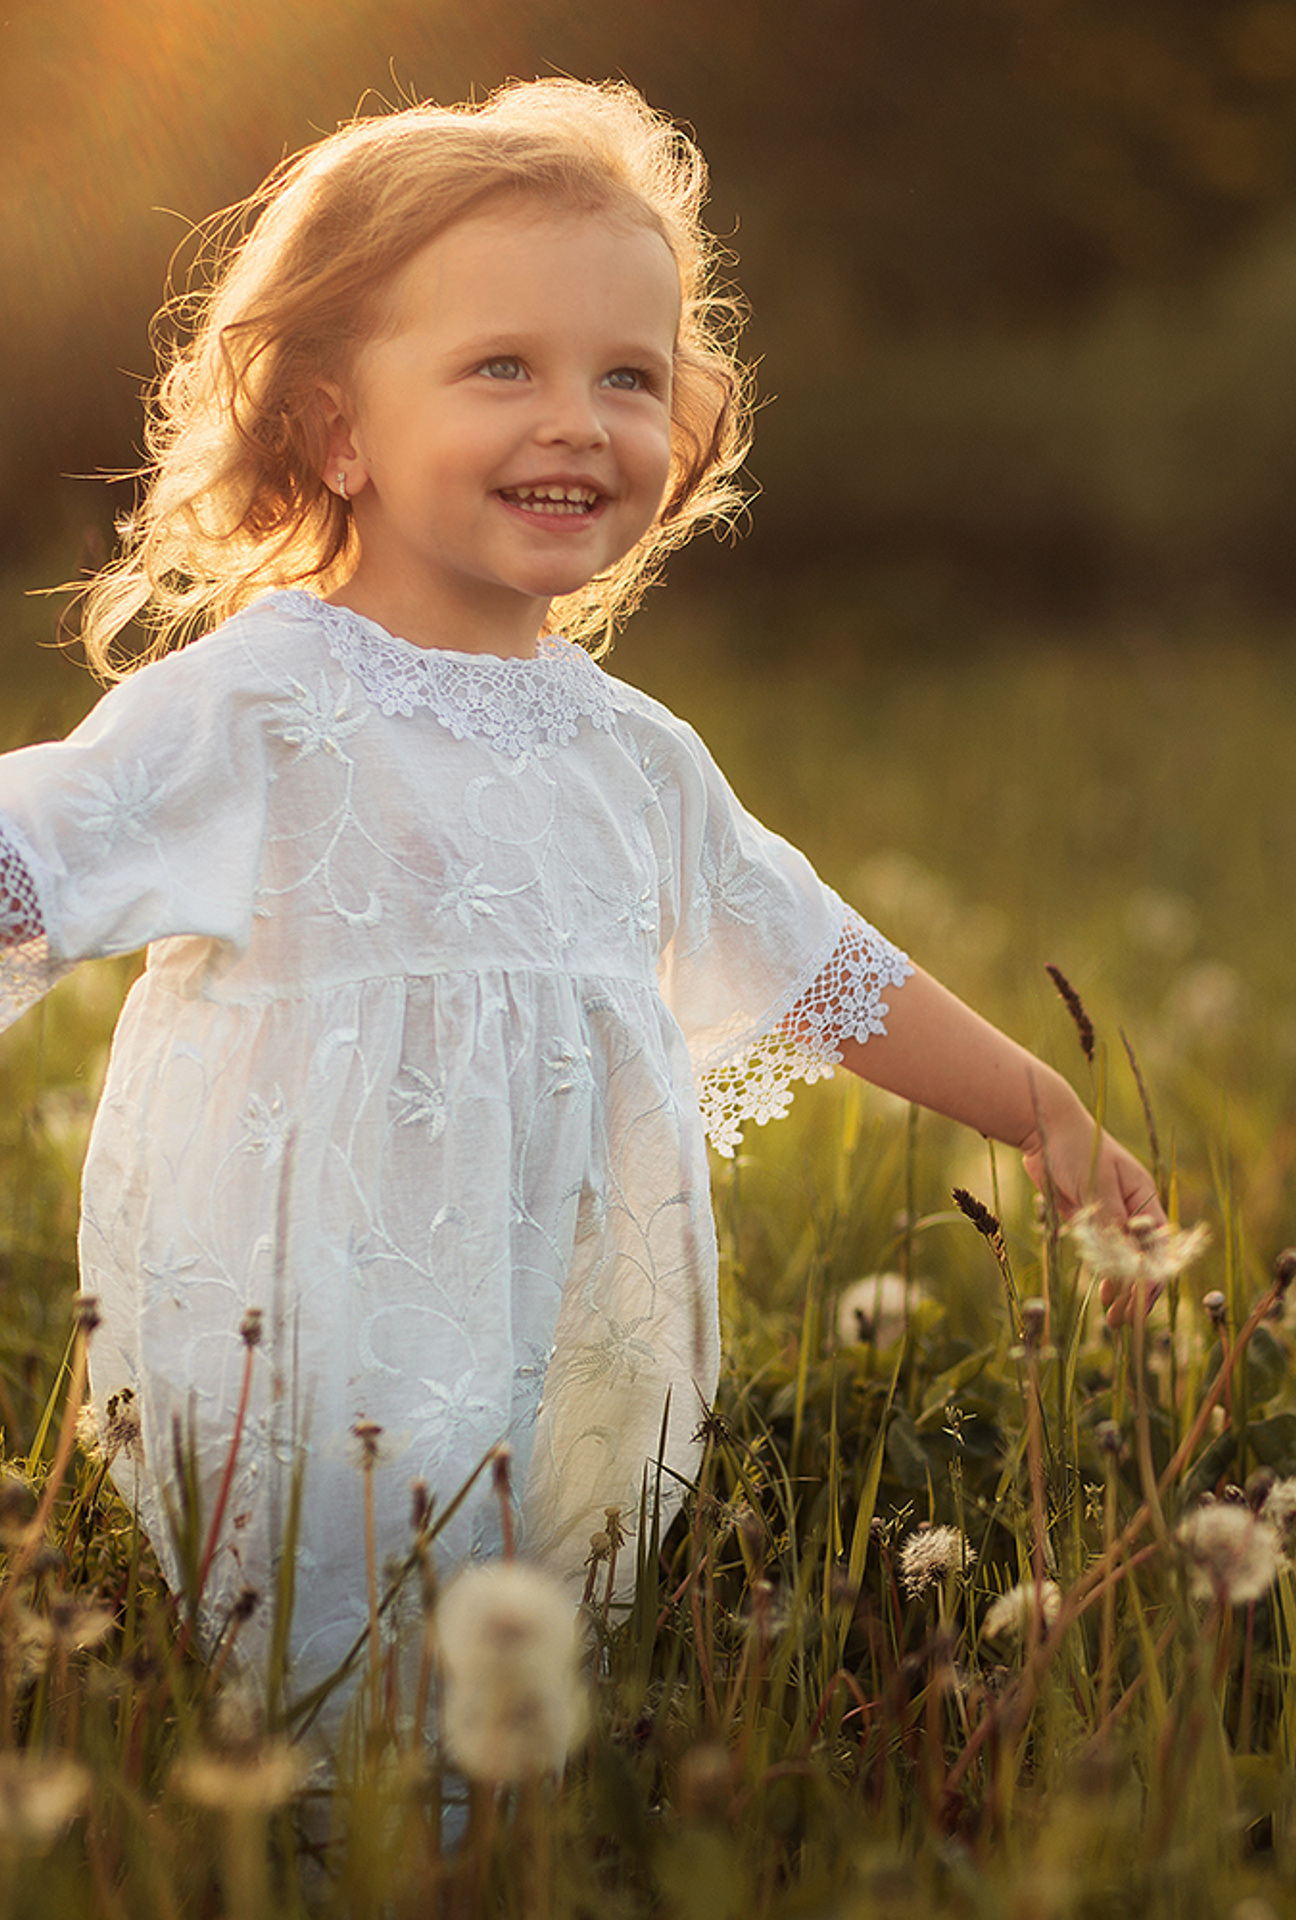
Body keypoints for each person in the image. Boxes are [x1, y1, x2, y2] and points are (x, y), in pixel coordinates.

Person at [0, 78, 1160, 1713]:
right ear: (336, 431)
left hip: (563, 1330)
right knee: (321, 1677)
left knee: (524, 1661)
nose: (577, 421)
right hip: (301, 1326)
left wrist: (1041, 1109)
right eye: (503, 367)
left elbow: (817, 961)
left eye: (628, 375)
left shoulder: (636, 755)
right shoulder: (261, 703)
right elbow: (38, 848)